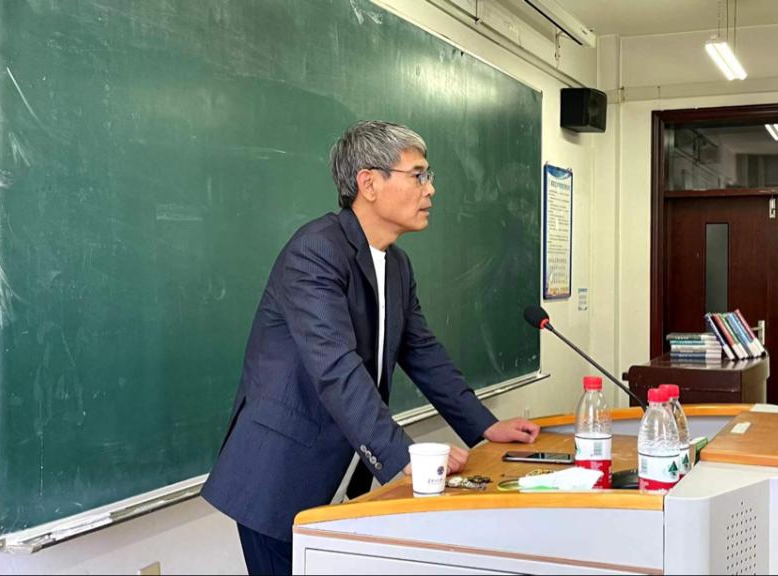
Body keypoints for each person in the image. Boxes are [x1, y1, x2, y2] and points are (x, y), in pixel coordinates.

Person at [201, 120, 541, 575]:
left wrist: (484, 426)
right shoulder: (314, 252)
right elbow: (337, 371)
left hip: (341, 470)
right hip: (279, 475)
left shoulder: (397, 265)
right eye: (418, 175)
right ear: (369, 183)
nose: (431, 188)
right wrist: (406, 457)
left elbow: (423, 352)